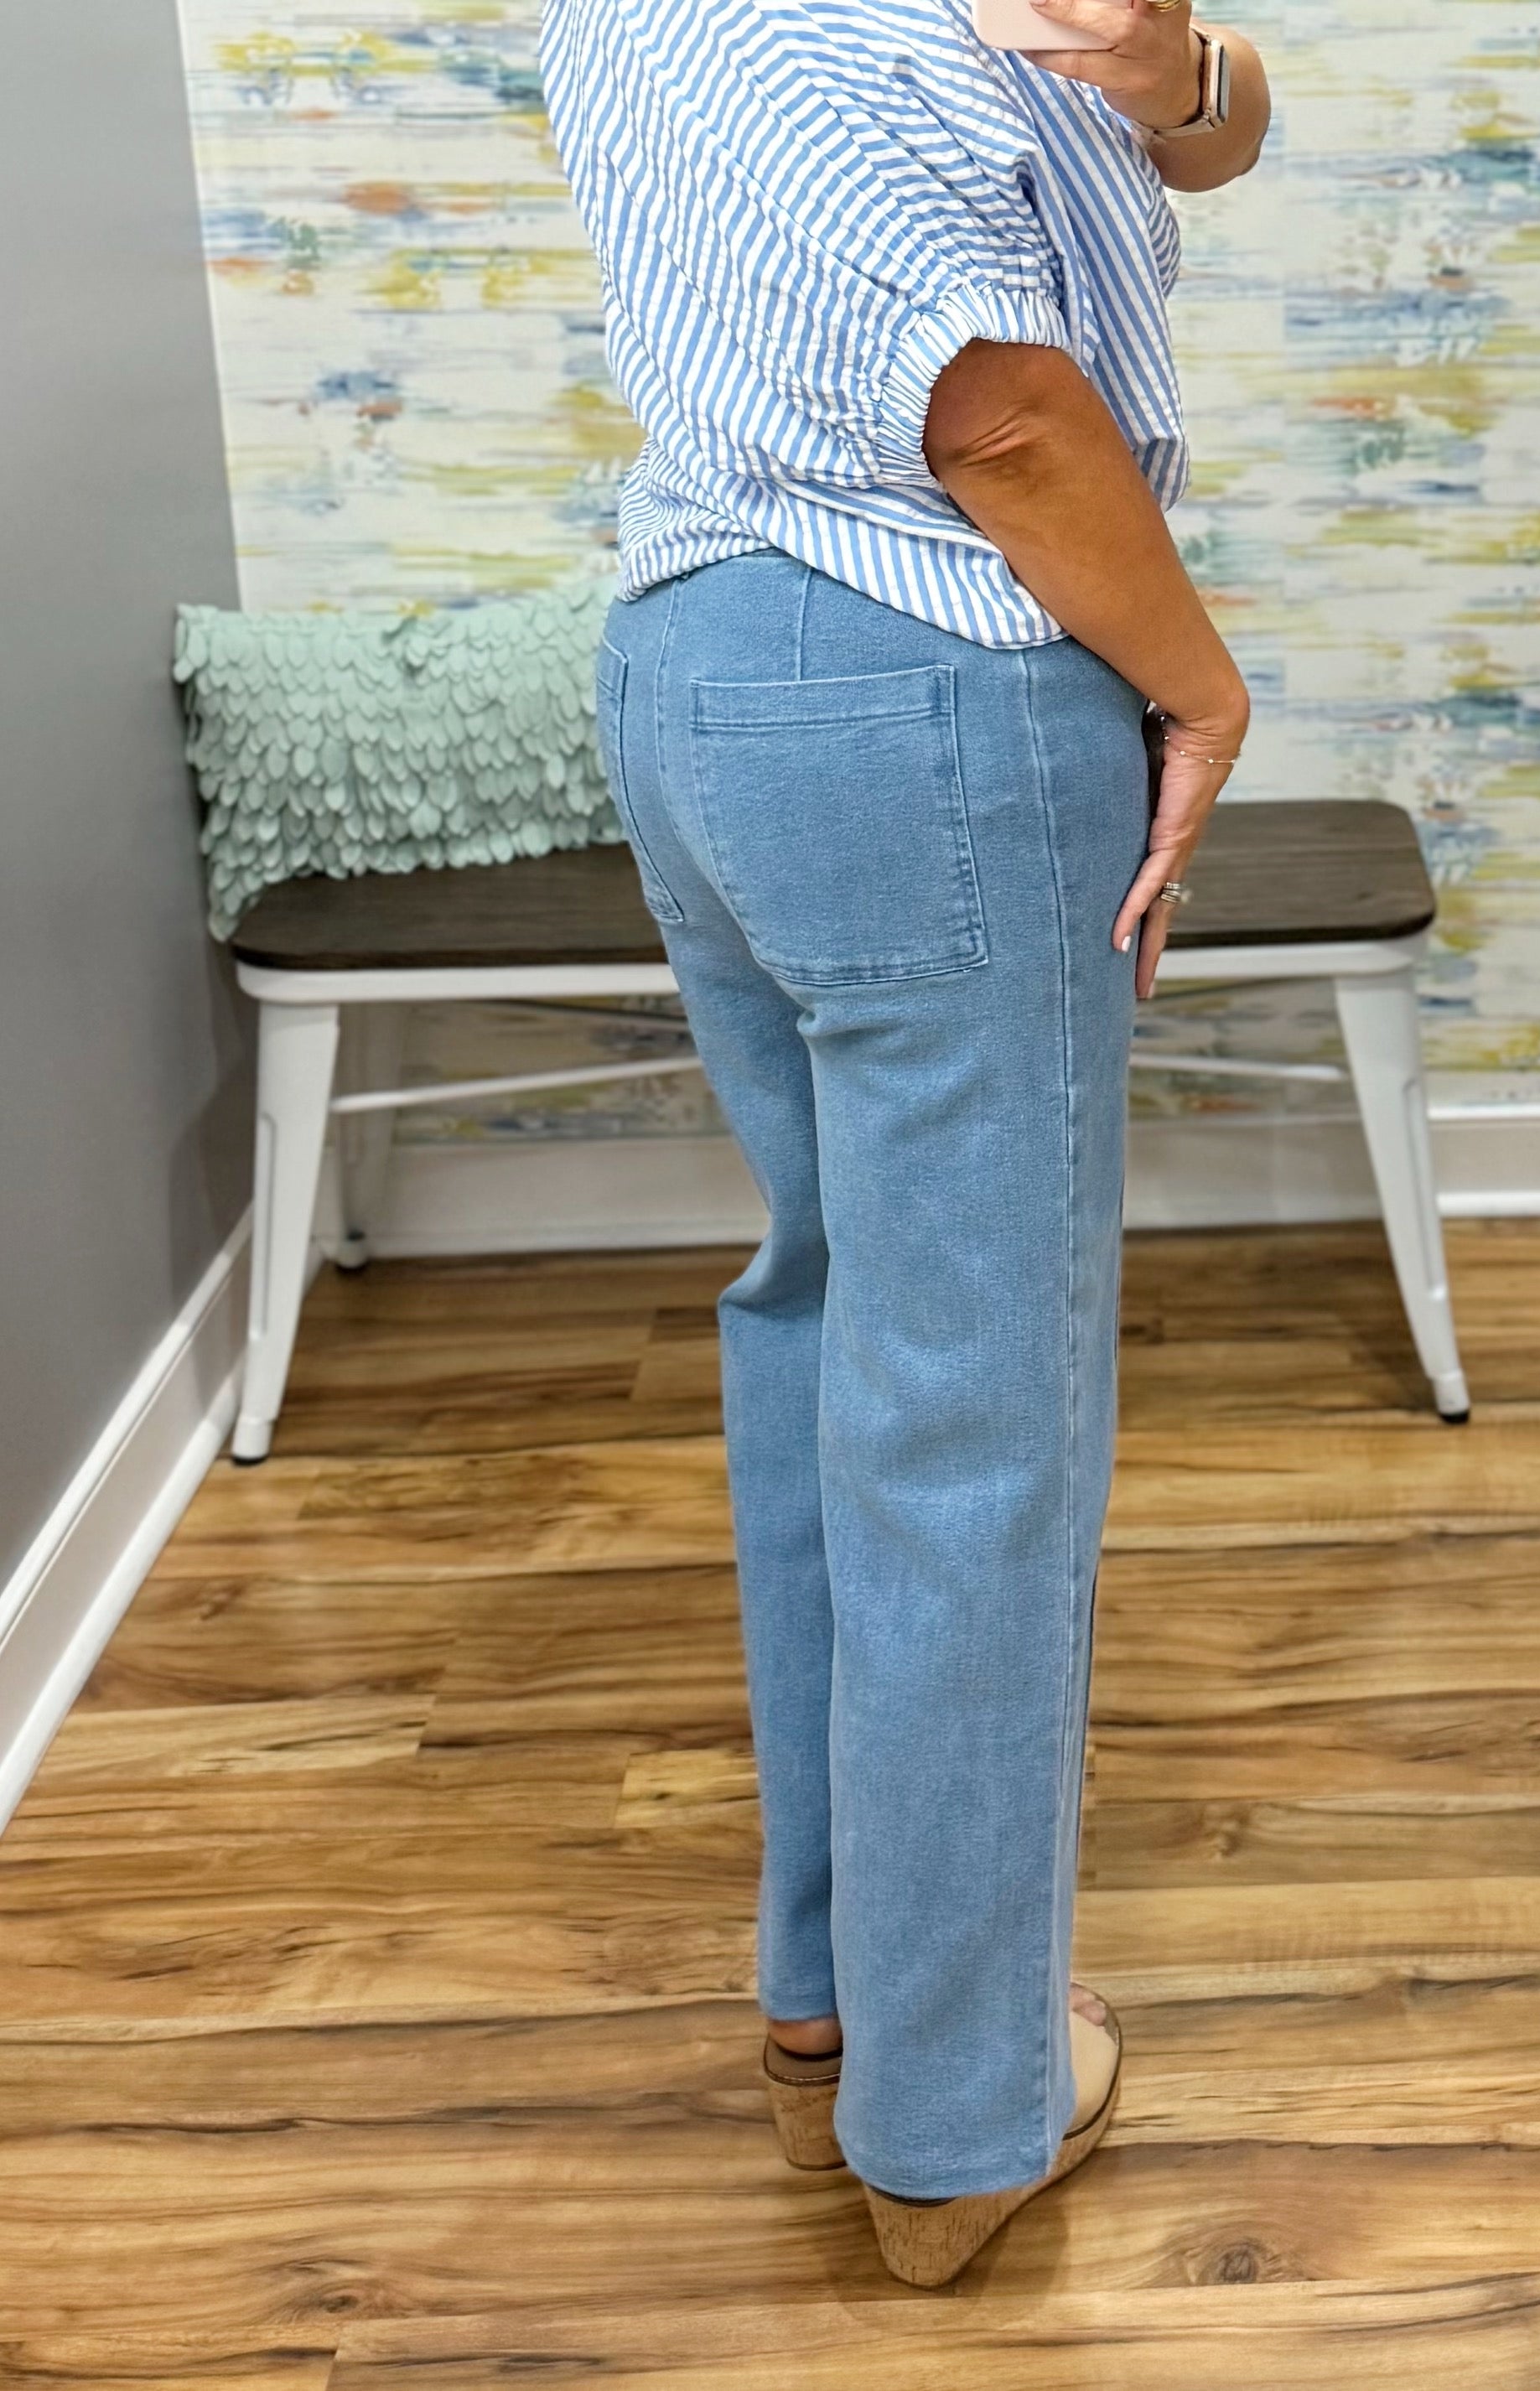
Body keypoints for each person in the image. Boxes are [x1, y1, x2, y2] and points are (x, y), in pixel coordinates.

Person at [541, 0, 1268, 2285]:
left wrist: (1166, 72)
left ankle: (831, 1986)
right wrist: (1200, 680)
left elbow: (1210, 127)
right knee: (973, 1417)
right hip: (922, 673)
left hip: (710, 666)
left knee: (842, 1339)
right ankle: (956, 2119)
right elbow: (1002, 411)